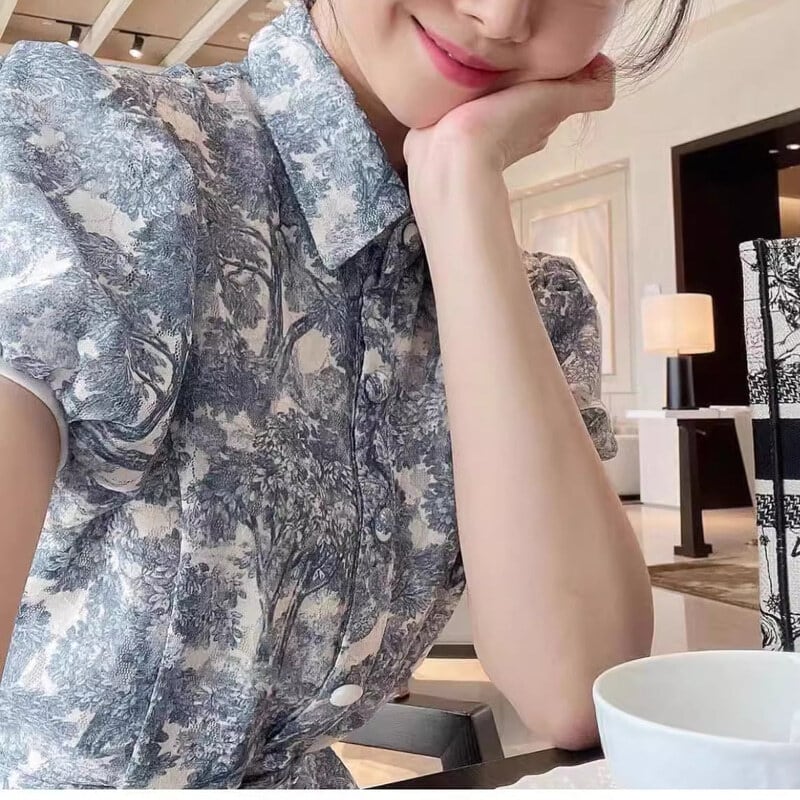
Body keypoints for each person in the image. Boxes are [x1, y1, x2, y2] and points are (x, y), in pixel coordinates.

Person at [0, 0, 689, 789]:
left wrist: (460, 188)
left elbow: (574, 691)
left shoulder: (539, 304)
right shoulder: (87, 150)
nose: (499, 15)